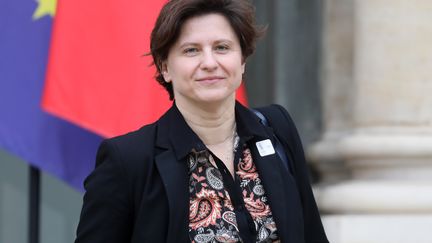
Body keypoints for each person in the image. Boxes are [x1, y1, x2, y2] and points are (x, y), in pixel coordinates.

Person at [74, 0, 329, 242]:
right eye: (191, 50)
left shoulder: (276, 129)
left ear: (241, 61)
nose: (209, 63)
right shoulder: (127, 161)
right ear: (165, 67)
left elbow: (312, 235)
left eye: (222, 47)